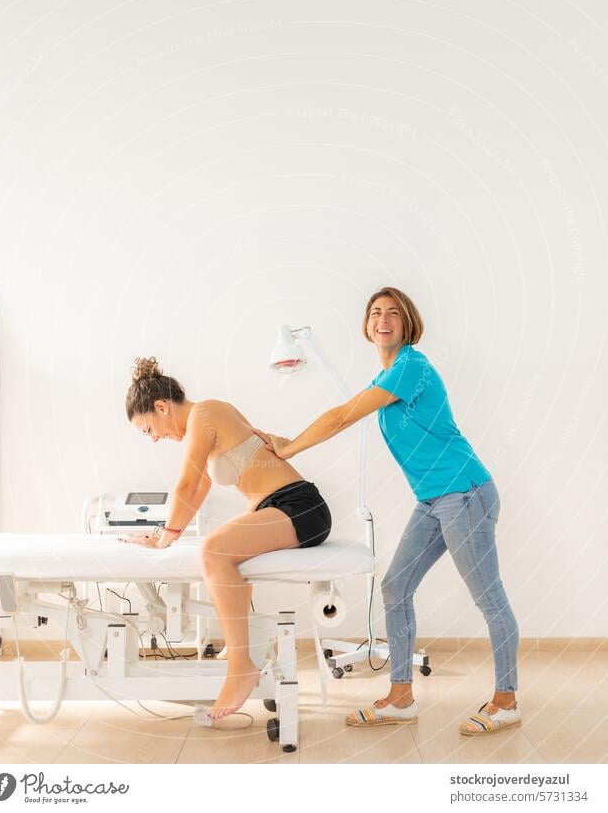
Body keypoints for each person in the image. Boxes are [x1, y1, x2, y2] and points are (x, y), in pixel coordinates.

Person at [260, 287, 520, 735]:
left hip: (466, 493)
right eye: (375, 313)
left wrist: (289, 447)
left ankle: (506, 700)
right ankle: (401, 697)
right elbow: (343, 413)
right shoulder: (387, 377)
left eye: (393, 313)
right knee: (396, 586)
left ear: (407, 323)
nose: (383, 319)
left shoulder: (410, 367)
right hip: (433, 500)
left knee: (488, 597)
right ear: (366, 326)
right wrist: (286, 442)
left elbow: (341, 417)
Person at [119, 356, 331, 720]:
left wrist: (162, 539)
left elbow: (186, 484)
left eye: (148, 428)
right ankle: (244, 653)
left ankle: (240, 666)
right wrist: (167, 532)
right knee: (221, 550)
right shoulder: (209, 417)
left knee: (213, 551)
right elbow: (199, 486)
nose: (154, 439)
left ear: (161, 406)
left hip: (299, 506)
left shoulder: (205, 413)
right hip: (282, 507)